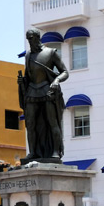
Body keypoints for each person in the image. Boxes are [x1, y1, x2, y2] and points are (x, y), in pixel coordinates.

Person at [18, 27, 69, 162]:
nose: (30, 41)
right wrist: (22, 81)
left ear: (37, 38)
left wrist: (57, 80)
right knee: (30, 124)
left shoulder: (51, 53)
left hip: (47, 91)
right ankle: (33, 152)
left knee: (52, 122)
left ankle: (55, 152)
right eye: (28, 39)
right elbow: (29, 75)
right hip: (32, 92)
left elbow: (64, 72)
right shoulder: (28, 55)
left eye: (32, 38)